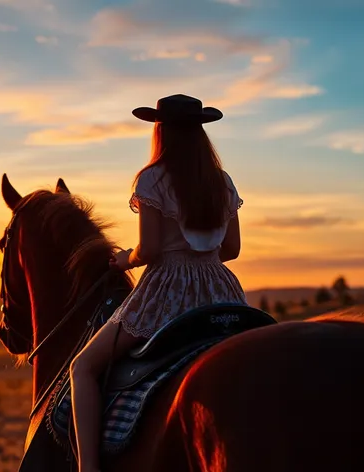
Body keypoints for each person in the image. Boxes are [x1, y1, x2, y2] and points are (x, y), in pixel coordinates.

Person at [68, 94, 248, 472]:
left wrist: (122, 260)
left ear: (160, 130)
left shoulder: (153, 178)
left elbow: (148, 250)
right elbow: (231, 248)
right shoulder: (222, 182)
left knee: (83, 368)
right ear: (200, 133)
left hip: (167, 290)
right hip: (220, 290)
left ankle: (88, 468)